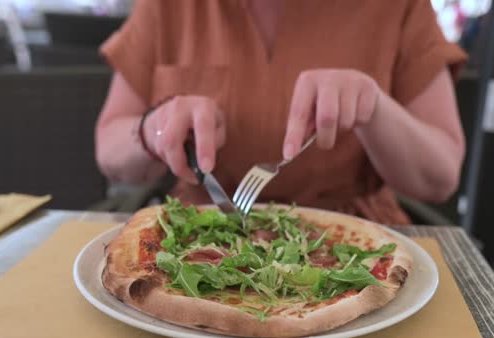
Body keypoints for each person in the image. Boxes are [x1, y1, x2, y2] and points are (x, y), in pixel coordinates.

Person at [95, 0, 467, 225]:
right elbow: (110, 150)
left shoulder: (399, 7)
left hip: (353, 247)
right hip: (197, 234)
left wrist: (376, 110)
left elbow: (440, 178)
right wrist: (152, 131)